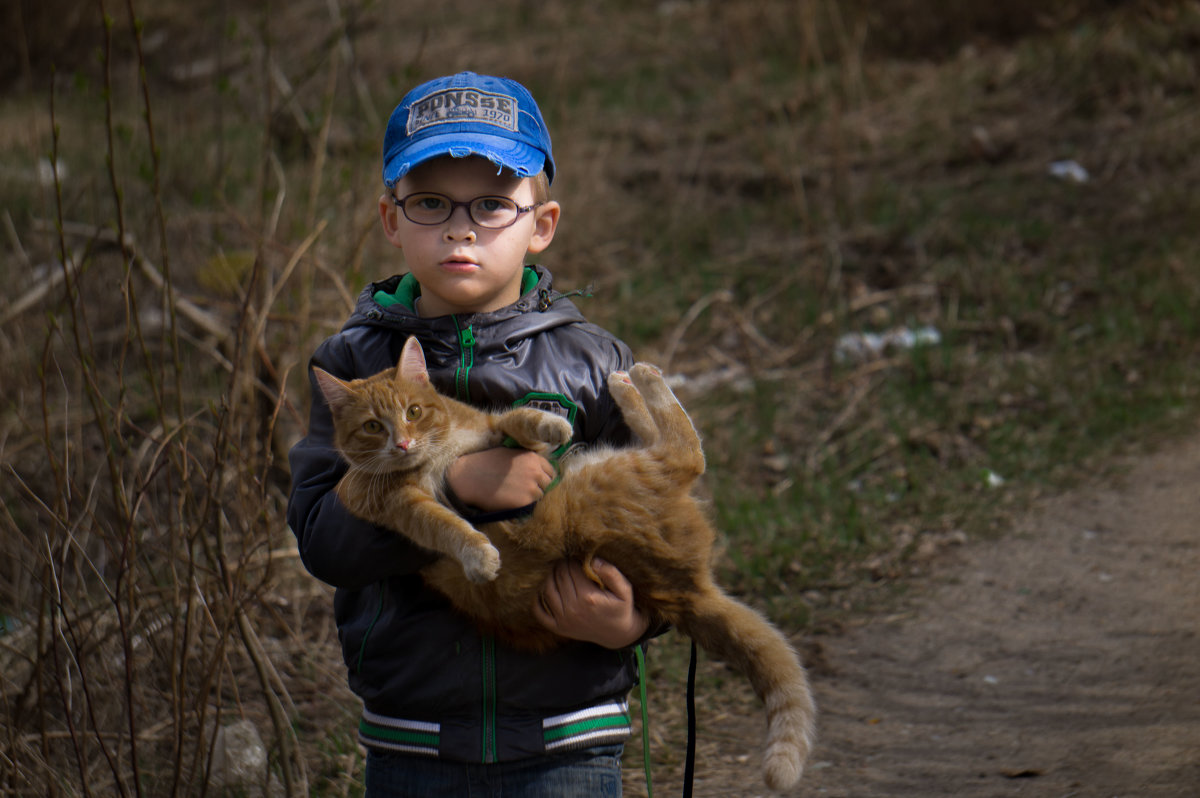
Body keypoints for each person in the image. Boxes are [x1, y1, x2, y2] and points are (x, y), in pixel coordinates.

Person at [287, 71, 653, 797]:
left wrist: (635, 620)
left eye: (491, 204)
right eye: (430, 203)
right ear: (390, 220)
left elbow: (655, 520)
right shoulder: (351, 364)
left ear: (540, 223)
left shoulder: (593, 363)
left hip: (568, 732)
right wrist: (451, 484)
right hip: (413, 738)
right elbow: (324, 540)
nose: (461, 227)